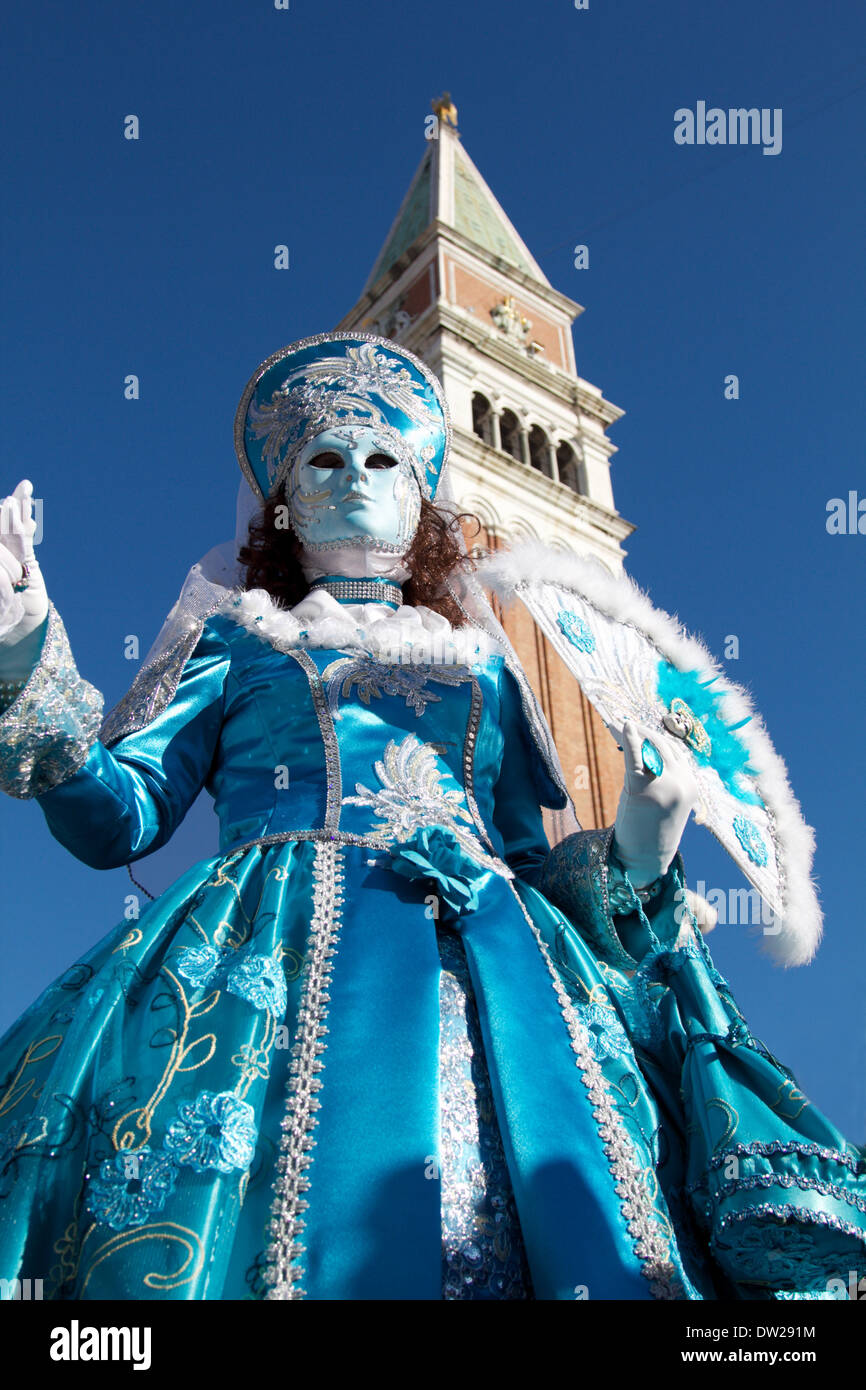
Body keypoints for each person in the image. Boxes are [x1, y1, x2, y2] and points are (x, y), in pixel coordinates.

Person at [0, 333, 862, 1302]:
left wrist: (638, 836)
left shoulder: (486, 670)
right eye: (323, 460)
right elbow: (117, 819)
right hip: (269, 958)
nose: (355, 479)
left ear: (421, 504)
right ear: (282, 504)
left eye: (382, 461)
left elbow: (530, 862)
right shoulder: (239, 642)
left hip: (502, 971)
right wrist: (25, 652)